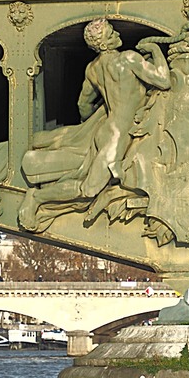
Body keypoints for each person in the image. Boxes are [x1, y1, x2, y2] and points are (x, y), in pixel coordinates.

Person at [18, 18, 171, 231]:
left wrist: (90, 123)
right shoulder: (128, 58)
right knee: (89, 189)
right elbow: (164, 81)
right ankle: (37, 197)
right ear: (103, 43)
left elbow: (83, 104)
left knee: (85, 181)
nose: (117, 34)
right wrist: (155, 50)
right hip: (118, 137)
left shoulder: (92, 69)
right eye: (111, 34)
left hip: (105, 131)